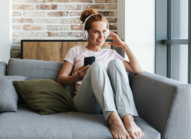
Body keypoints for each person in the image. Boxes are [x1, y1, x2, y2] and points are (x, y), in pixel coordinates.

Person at [57, 8, 144, 139]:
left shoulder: (111, 53)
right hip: (86, 103)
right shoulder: (75, 51)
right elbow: (61, 79)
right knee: (96, 65)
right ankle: (114, 120)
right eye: (96, 32)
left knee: (115, 63)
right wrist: (76, 77)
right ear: (86, 34)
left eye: (104, 32)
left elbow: (137, 70)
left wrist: (124, 46)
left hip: (109, 101)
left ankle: (128, 118)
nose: (101, 36)